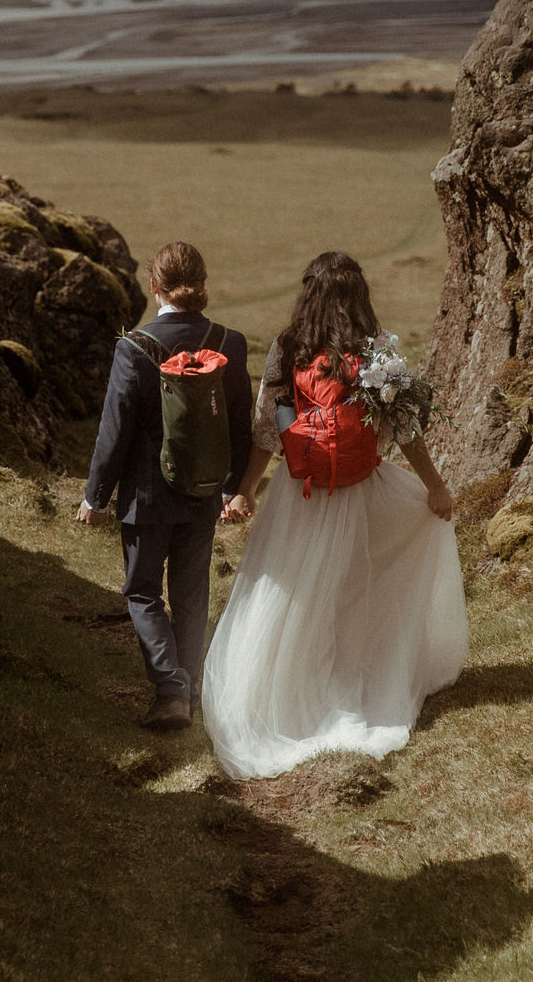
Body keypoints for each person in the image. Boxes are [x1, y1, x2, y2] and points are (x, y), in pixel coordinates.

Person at [202, 250, 467, 780]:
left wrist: (246, 490)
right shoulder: (375, 350)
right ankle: (349, 686)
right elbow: (405, 428)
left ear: (308, 294)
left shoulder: (287, 346)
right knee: (352, 589)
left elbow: (267, 432)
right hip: (359, 491)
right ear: (360, 296)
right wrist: (434, 488)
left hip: (300, 497)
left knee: (292, 594)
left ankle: (287, 691)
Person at [76, 241, 252, 731]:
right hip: (203, 492)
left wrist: (96, 496)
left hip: (147, 498)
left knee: (143, 593)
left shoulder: (133, 347)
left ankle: (171, 691)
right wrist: (230, 487)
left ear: (155, 288)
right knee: (192, 597)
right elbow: (239, 424)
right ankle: (189, 692)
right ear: (201, 284)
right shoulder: (230, 343)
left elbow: (116, 429)